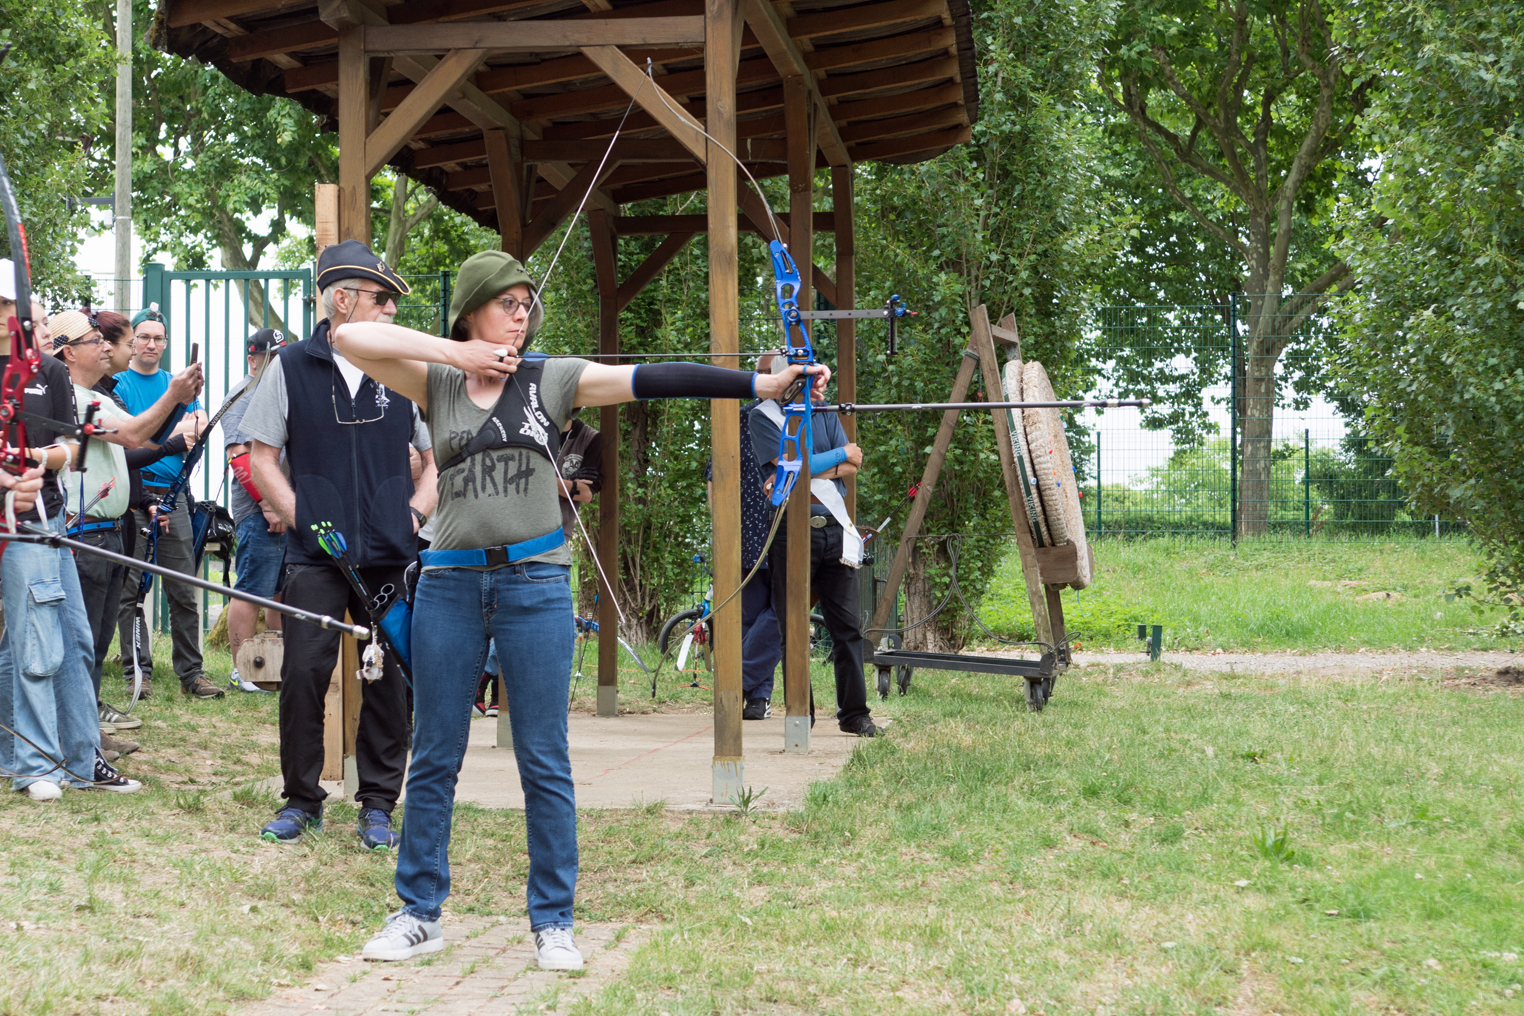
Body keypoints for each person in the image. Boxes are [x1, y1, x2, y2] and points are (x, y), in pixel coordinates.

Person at [330, 249, 828, 970]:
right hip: (448, 585)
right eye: (506, 303)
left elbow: (652, 378)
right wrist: (460, 354)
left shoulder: (550, 379)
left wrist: (764, 383)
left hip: (535, 586)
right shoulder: (434, 380)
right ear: (472, 310)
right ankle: (418, 912)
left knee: (544, 757)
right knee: (435, 752)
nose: (521, 315)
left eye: (526, 305)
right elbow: (349, 337)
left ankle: (553, 921)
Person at [242, 240, 437, 849]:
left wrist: (414, 515)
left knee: (390, 679)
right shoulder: (288, 366)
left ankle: (378, 805)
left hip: (390, 555)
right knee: (304, 673)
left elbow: (439, 458)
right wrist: (302, 518)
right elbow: (261, 457)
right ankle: (302, 801)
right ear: (342, 300)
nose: (391, 311)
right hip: (315, 557)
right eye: (381, 299)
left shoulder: (405, 367)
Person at [0, 290, 141, 799]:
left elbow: (73, 450)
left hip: (47, 517)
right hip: (16, 522)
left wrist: (36, 460)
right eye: (33, 320)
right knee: (34, 645)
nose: (41, 332)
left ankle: (78, 759)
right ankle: (33, 764)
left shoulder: (50, 373)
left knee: (70, 640)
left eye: (41, 321)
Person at [50, 309, 203, 757]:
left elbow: (136, 439)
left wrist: (177, 402)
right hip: (88, 536)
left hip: (110, 532)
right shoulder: (74, 398)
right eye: (93, 341)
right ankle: (77, 740)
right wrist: (174, 396)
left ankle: (87, 732)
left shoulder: (95, 395)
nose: (105, 346)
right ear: (68, 352)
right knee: (83, 644)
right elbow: (135, 436)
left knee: (96, 643)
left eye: (104, 339)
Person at [748, 355, 880, 737]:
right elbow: (790, 469)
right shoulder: (763, 416)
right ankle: (799, 716)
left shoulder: (823, 411)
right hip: (791, 528)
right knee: (792, 625)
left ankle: (854, 715)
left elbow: (852, 464)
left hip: (833, 526)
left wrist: (815, 465)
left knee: (848, 627)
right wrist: (838, 456)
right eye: (803, 378)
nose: (813, 387)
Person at [112, 306, 215, 699]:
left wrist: (152, 429)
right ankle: (137, 672)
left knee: (184, 588)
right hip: (135, 496)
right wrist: (165, 433)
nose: (151, 344)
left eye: (158, 338)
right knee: (130, 591)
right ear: (133, 340)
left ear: (165, 343)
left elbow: (200, 427)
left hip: (175, 499)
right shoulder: (118, 384)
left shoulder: (179, 384)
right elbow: (130, 440)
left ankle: (193, 673)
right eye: (143, 337)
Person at [706, 385, 782, 720]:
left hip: (786, 528)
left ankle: (737, 680)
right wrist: (720, 530)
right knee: (751, 617)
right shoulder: (737, 419)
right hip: (745, 532)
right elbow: (714, 476)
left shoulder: (799, 417)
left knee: (782, 612)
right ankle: (758, 698)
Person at [219, 328, 288, 693]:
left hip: (285, 508)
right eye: (271, 356)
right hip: (259, 512)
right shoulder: (242, 396)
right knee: (251, 590)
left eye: (282, 354)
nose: (278, 362)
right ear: (253, 359)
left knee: (280, 591)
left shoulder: (279, 392)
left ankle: (278, 666)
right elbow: (239, 456)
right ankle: (241, 671)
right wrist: (268, 505)